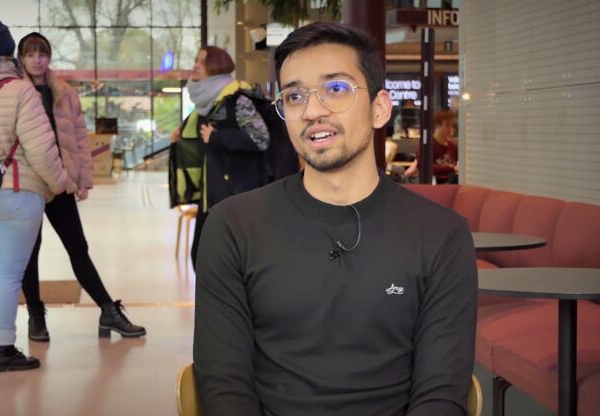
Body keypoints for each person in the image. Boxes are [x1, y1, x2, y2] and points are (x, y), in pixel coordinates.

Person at [193, 22, 477, 416]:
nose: (312, 111)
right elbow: (224, 385)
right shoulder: (232, 227)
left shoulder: (442, 235)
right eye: (294, 96)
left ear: (379, 109)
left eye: (336, 89)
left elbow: (441, 394)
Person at [16, 32, 145, 341]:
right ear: (21, 58)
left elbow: (78, 140)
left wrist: (83, 179)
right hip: (29, 185)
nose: (37, 59)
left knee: (78, 249)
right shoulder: (15, 92)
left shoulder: (64, 92)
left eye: (42, 54)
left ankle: (108, 311)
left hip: (60, 183)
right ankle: (36, 315)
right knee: (29, 253)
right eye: (31, 54)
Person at [0, 18, 67, 372]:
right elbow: (41, 148)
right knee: (8, 274)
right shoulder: (22, 91)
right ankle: (3, 349)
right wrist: (59, 182)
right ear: (10, 54)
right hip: (17, 191)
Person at [169, 46, 270, 267]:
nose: (196, 65)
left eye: (202, 62)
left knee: (229, 263)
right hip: (211, 194)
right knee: (202, 259)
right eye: (196, 60)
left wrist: (218, 137)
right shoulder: (207, 105)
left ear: (216, 66)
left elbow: (261, 139)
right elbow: (201, 140)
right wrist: (183, 137)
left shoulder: (237, 100)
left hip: (237, 195)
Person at [405, 110, 459, 184]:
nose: (450, 129)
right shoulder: (427, 146)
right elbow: (425, 167)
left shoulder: (453, 147)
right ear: (437, 126)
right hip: (433, 185)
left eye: (451, 125)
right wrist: (451, 169)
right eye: (447, 125)